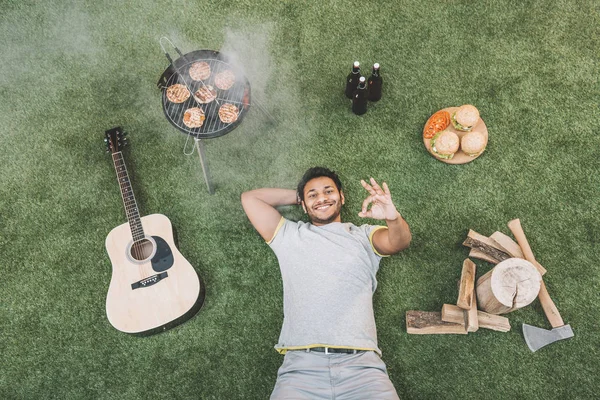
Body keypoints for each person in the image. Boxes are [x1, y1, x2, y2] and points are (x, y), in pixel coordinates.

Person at [241, 167, 411, 399]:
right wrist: (301, 195)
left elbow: (399, 242)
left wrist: (393, 218)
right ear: (303, 204)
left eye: (328, 191)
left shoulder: (362, 235)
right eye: (313, 195)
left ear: (342, 197)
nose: (321, 198)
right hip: (301, 371)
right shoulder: (289, 236)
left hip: (363, 369)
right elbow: (251, 198)